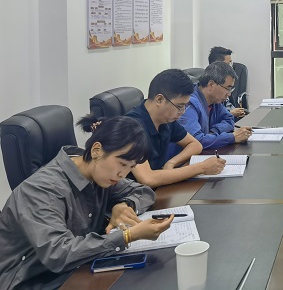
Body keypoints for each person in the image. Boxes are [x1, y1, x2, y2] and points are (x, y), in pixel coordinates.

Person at [0, 116, 174, 289]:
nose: (123, 174)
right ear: (96, 150)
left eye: (131, 167)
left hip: (79, 266)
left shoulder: (98, 172)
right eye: (122, 164)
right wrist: (128, 236)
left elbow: (143, 192)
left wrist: (123, 206)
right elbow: (58, 254)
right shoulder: (41, 190)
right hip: (32, 280)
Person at [125, 68, 226, 187]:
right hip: (135, 194)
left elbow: (195, 145)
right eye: (180, 106)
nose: (182, 112)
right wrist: (202, 167)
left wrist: (171, 162)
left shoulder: (166, 119)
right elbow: (147, 178)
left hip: (161, 187)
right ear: (159, 99)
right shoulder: (130, 127)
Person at [176, 61, 252, 151]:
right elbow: (195, 141)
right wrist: (232, 137)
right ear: (211, 84)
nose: (229, 94)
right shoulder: (188, 103)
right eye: (227, 88)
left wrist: (213, 132)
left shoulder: (215, 102)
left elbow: (229, 119)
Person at [208, 46, 247, 119]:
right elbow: (215, 118)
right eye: (229, 64)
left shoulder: (224, 82)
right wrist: (231, 113)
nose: (231, 67)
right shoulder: (214, 88)